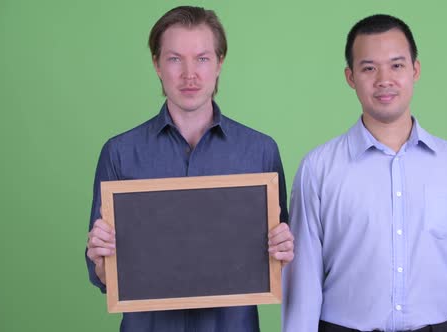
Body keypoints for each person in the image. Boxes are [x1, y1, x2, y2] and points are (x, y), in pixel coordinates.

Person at [283, 14, 447, 332]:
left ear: (416, 70)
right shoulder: (318, 168)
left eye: (397, 65)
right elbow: (303, 282)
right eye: (369, 68)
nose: (384, 79)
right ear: (350, 77)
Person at [85, 6, 294, 332]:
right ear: (156, 64)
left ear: (220, 62)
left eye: (202, 58)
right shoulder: (120, 153)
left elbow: (280, 265)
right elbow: (102, 276)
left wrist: (283, 251)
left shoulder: (260, 151)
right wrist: (102, 261)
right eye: (174, 59)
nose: (189, 74)